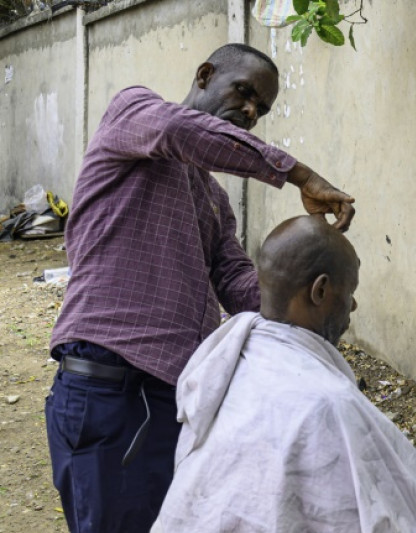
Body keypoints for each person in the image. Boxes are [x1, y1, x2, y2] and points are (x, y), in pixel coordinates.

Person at [45, 43, 355, 533]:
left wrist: (312, 310)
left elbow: (236, 281)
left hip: (176, 400)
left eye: (262, 108)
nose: (251, 111)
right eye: (244, 92)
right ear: (205, 75)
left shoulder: (212, 198)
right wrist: (299, 174)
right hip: (110, 389)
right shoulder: (134, 113)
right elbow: (178, 130)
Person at [153, 215, 416, 532]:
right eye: (349, 292)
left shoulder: (230, 360)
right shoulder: (323, 404)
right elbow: (385, 514)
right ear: (320, 291)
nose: (352, 307)